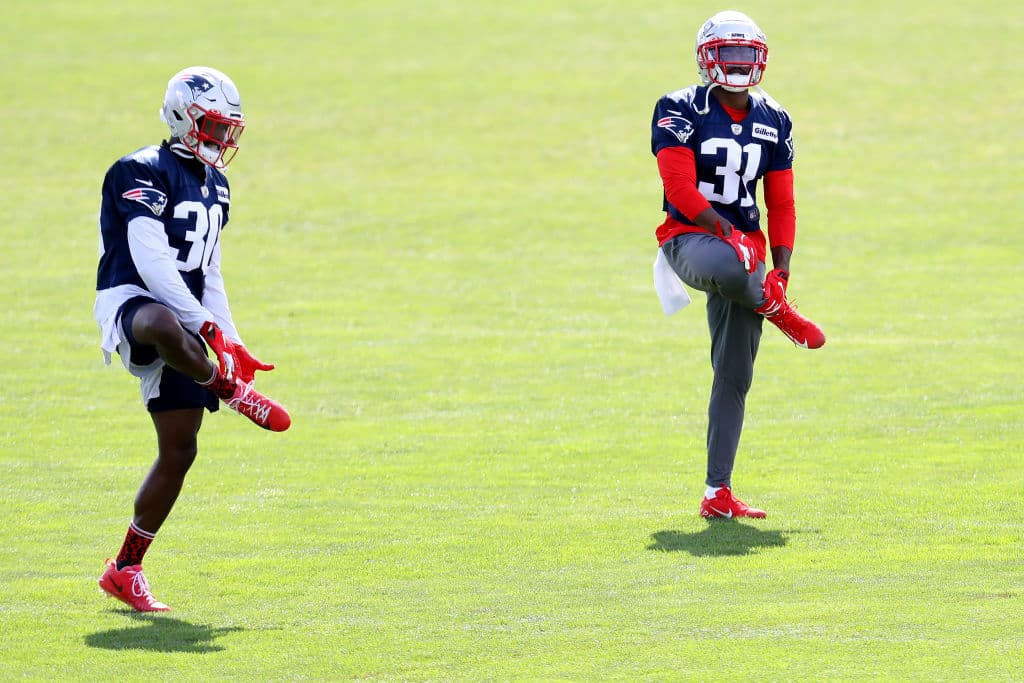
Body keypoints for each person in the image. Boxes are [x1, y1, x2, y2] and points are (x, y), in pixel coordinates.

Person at [93, 66, 291, 611]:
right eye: (215, 127)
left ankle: (125, 567)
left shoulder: (216, 184)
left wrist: (229, 338)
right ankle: (230, 393)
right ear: (184, 116)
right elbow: (152, 263)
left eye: (231, 130)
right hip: (132, 303)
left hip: (186, 325)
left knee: (179, 451)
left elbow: (210, 270)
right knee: (161, 322)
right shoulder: (138, 169)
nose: (224, 140)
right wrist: (207, 339)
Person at [650, 11, 825, 519]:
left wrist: (782, 269)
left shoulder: (774, 118)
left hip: (748, 248)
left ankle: (716, 493)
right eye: (730, 55)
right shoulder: (679, 108)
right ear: (708, 59)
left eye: (748, 55)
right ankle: (778, 309)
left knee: (734, 374)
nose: (740, 64)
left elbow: (783, 204)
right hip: (692, 236)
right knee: (730, 267)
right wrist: (727, 233)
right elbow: (680, 188)